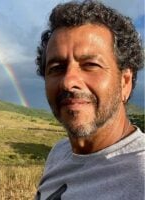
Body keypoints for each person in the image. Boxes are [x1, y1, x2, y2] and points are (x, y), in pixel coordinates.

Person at [35, 1, 144, 199]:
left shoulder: (140, 175)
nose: (68, 82)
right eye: (57, 68)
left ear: (125, 82)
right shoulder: (59, 153)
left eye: (90, 65)